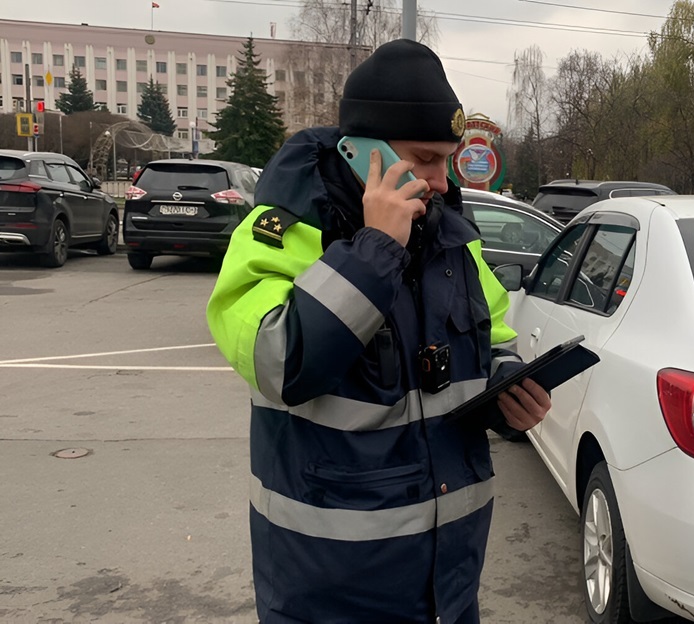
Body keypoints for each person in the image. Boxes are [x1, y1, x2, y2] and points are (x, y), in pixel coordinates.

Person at [205, 39, 550, 624]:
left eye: (448, 159)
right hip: (332, 589)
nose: (443, 181)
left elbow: (494, 339)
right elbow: (278, 362)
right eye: (425, 159)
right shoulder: (283, 228)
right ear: (361, 152)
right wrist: (374, 251)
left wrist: (508, 386)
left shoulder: (448, 239)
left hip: (450, 583)